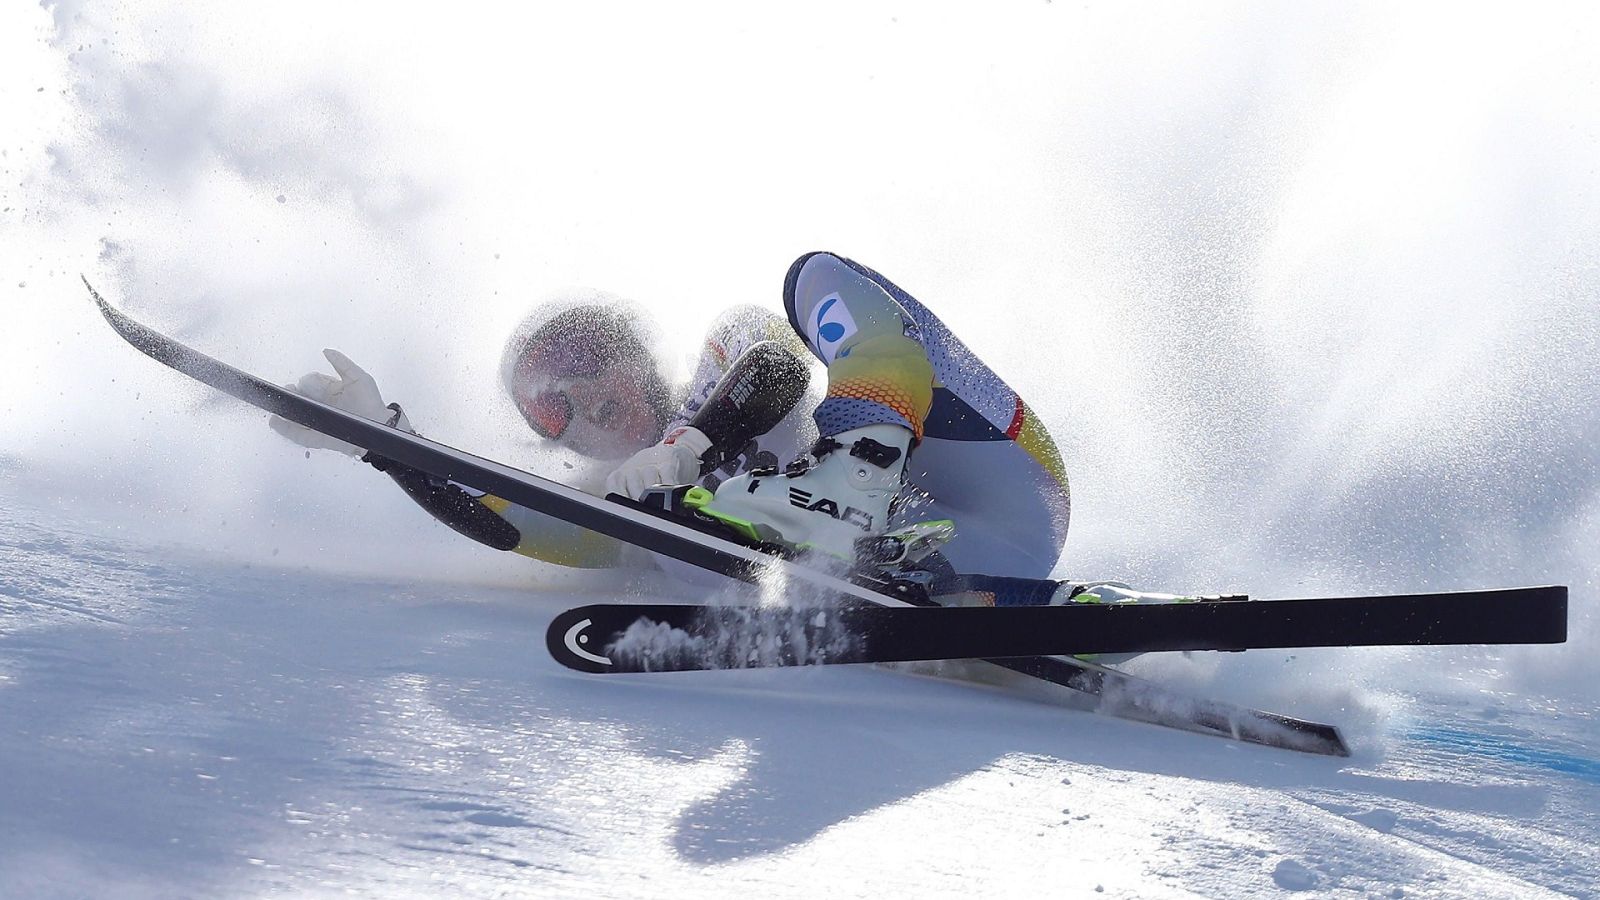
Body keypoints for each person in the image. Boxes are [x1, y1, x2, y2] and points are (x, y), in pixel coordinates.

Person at [270, 251, 1198, 607]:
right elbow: (516, 521)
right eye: (551, 404)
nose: (587, 405)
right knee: (661, 517)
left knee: (812, 279)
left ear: (640, 350)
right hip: (955, 557)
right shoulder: (636, 499)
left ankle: (855, 479)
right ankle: (1061, 606)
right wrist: (383, 441)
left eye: (592, 362)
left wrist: (689, 442)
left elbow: (779, 363)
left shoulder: (726, 361)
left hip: (997, 476)